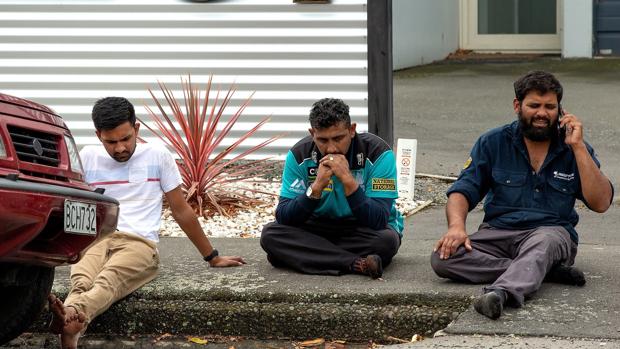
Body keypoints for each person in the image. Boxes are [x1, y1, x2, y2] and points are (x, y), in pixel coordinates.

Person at [48, 97, 246, 349]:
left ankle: (72, 313)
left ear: (137, 129)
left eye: (126, 138)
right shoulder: (87, 156)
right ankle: (72, 328)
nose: (120, 148)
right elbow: (71, 205)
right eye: (111, 141)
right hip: (96, 239)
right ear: (98, 135)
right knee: (82, 280)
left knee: (109, 279)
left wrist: (212, 256)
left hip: (138, 243)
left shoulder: (158, 155)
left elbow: (180, 209)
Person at [430, 71, 613, 320]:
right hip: (497, 233)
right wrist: (456, 228)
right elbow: (462, 190)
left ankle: (502, 293)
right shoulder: (492, 142)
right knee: (443, 258)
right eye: (534, 105)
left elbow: (601, 202)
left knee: (543, 242)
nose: (542, 113)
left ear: (560, 110)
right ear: (518, 106)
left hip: (551, 234)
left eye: (550, 106)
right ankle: (542, 271)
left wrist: (579, 148)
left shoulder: (574, 147)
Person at [260, 98, 403, 279]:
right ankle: (357, 264)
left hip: (360, 230)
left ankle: (304, 255)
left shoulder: (378, 153)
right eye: (322, 140)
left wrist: (348, 181)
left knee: (386, 242)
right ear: (312, 134)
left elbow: (378, 219)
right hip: (318, 227)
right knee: (270, 235)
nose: (331, 148)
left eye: (338, 138)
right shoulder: (299, 155)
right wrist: (316, 188)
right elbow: (284, 217)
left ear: (352, 130)